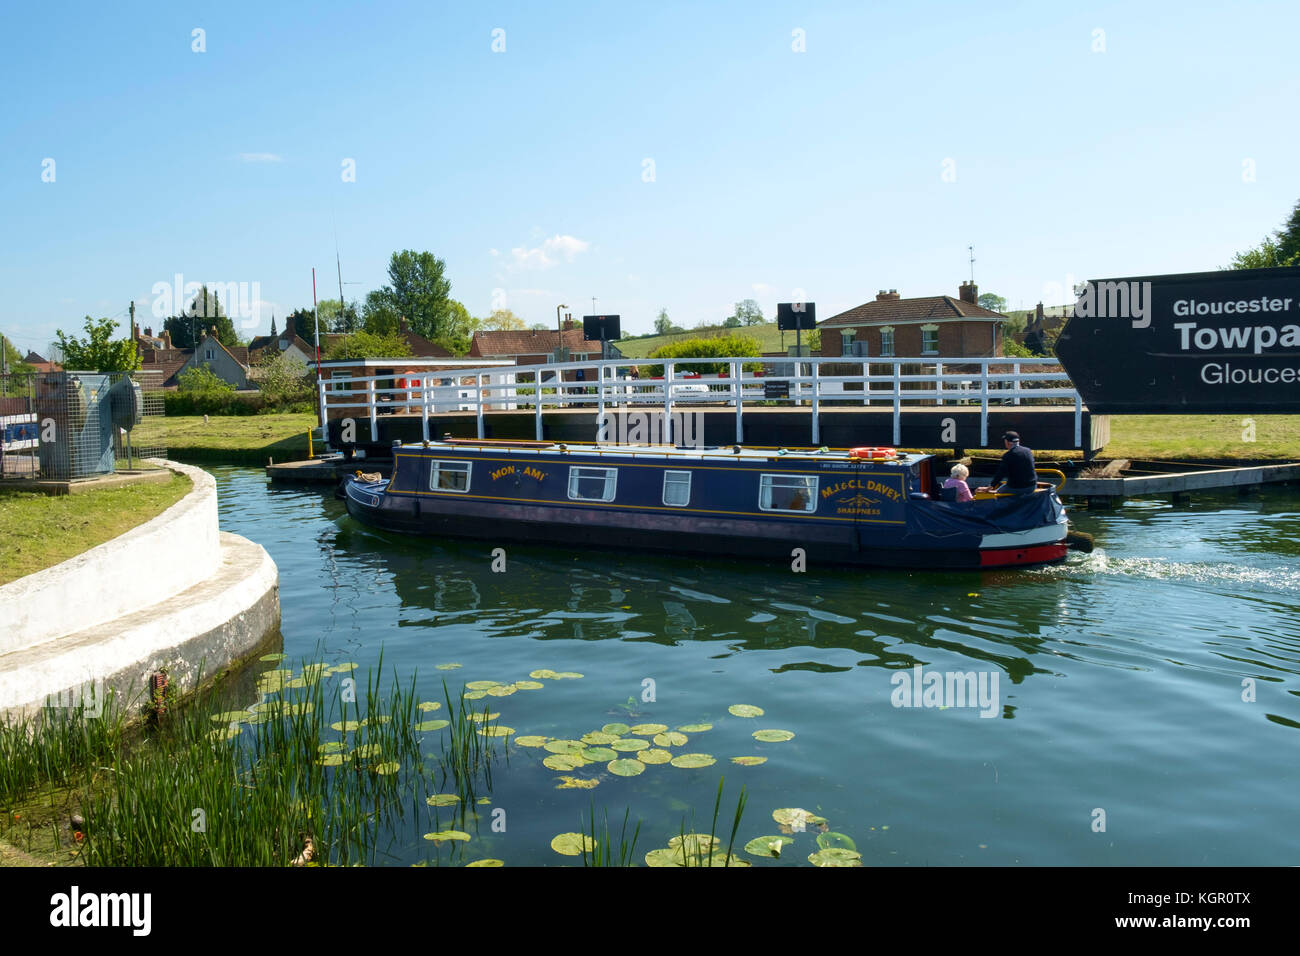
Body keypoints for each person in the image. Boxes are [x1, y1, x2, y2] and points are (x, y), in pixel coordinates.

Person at [990, 430, 1038, 495]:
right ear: (1018, 441)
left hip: (1018, 487)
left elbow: (1001, 473)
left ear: (1007, 442)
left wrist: (991, 486)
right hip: (1032, 486)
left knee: (997, 493)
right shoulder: (1028, 451)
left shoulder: (1008, 455)